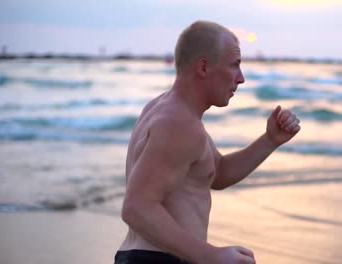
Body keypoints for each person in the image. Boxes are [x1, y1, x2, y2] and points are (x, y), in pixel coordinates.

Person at [115, 20, 301, 264]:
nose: (241, 78)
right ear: (203, 67)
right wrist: (208, 255)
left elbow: (217, 173)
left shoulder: (169, 111)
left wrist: (270, 140)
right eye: (235, 65)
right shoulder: (179, 123)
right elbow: (137, 207)